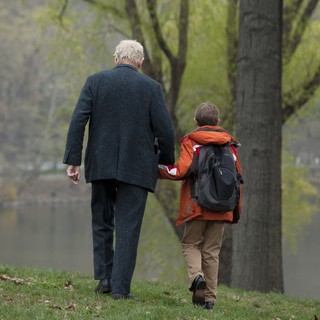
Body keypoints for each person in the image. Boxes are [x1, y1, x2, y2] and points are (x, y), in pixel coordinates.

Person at [63, 39, 175, 300]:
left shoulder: (95, 81)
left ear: (116, 59)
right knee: (128, 226)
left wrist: (73, 160)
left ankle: (104, 279)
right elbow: (166, 131)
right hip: (136, 167)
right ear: (140, 62)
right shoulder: (151, 88)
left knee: (102, 221)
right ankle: (121, 290)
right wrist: (166, 162)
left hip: (100, 162)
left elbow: (78, 119)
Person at [158, 102, 242, 310]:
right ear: (218, 122)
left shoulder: (193, 142)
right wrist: (234, 212)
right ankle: (210, 300)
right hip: (223, 208)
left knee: (190, 244)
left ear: (196, 121)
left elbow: (182, 170)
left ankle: (197, 277)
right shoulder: (230, 145)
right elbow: (237, 181)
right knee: (212, 252)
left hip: (197, 205)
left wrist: (157, 168)